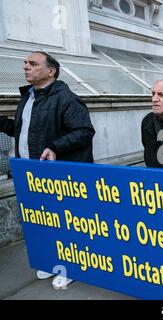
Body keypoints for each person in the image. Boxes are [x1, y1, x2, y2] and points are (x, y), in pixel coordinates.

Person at [0, 51, 95, 288]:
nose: (26, 67)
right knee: (44, 222)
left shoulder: (66, 98)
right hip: (31, 175)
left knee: (67, 223)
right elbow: (24, 131)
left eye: (33, 64)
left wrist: (54, 146)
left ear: (51, 71)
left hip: (58, 177)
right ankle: (53, 261)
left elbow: (84, 131)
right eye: (25, 63)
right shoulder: (29, 97)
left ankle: (72, 267)